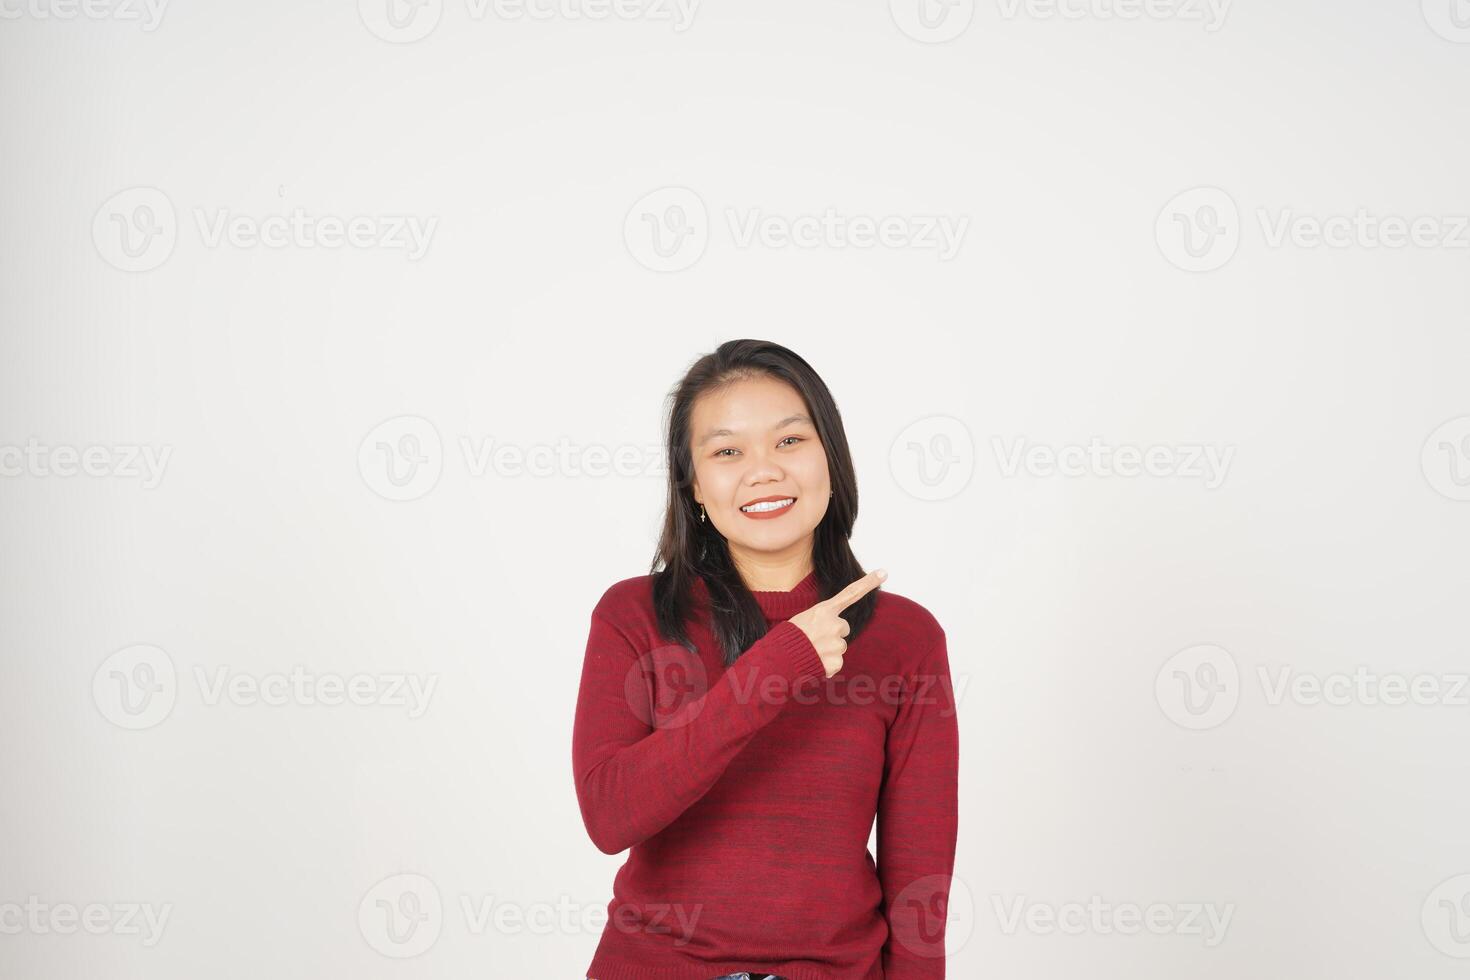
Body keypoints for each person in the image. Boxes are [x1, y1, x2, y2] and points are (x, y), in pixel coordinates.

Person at [573, 339, 959, 979]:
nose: (764, 472)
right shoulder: (632, 615)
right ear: (694, 484)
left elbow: (921, 871)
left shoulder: (904, 637)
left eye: (789, 442)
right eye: (727, 452)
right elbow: (610, 816)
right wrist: (774, 669)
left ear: (831, 459)